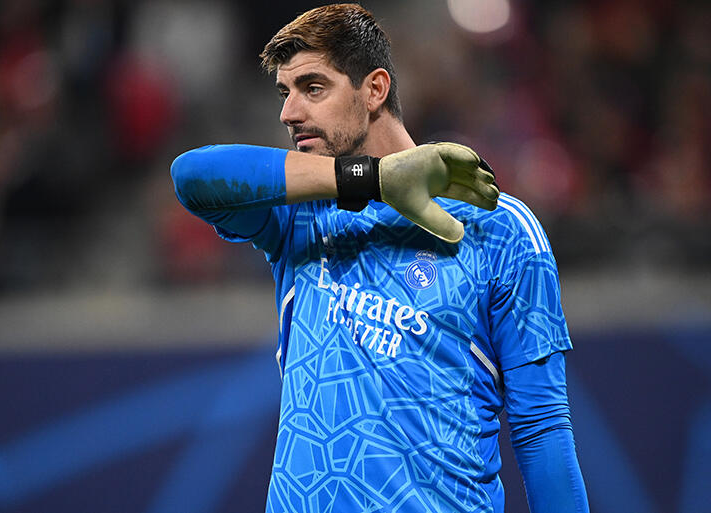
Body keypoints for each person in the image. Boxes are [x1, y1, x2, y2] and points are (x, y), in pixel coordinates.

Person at [171, 4, 589, 512]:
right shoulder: (299, 213)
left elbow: (541, 428)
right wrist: (371, 179)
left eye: (313, 88)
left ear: (374, 90)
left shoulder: (497, 226)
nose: (289, 113)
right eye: (285, 92)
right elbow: (191, 177)